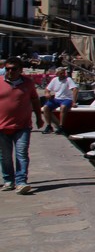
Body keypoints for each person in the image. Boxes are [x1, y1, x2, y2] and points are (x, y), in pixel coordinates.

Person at [0, 57, 44, 194]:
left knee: (22, 153)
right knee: (5, 156)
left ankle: (21, 181)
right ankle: (8, 180)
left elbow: (35, 101)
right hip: (2, 126)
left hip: (23, 125)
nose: (10, 71)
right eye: (7, 69)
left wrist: (39, 117)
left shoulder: (28, 83)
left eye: (13, 69)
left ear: (20, 70)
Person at [41, 66, 77, 134]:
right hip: (57, 99)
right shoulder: (55, 80)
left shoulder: (68, 79)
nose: (63, 74)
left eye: (64, 73)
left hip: (67, 99)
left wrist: (74, 101)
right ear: (57, 74)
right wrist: (47, 93)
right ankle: (49, 126)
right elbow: (47, 89)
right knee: (45, 107)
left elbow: (75, 89)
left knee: (63, 107)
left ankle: (61, 126)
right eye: (61, 73)